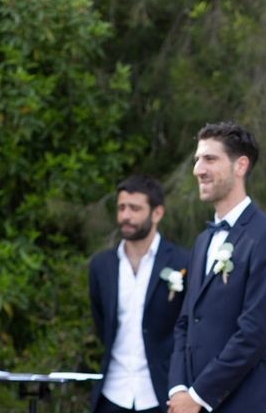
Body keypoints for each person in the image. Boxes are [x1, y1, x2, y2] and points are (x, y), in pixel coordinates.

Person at [167, 122, 266, 413]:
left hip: (245, 402)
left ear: (240, 166)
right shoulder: (202, 241)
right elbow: (185, 322)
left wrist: (199, 395)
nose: (198, 169)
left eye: (210, 159)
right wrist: (178, 388)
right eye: (197, 159)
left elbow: (255, 333)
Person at [89, 175, 190, 413]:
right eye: (121, 207)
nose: (125, 216)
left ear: (157, 213)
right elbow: (101, 321)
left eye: (135, 208)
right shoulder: (102, 265)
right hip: (112, 393)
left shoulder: (182, 261)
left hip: (160, 394)